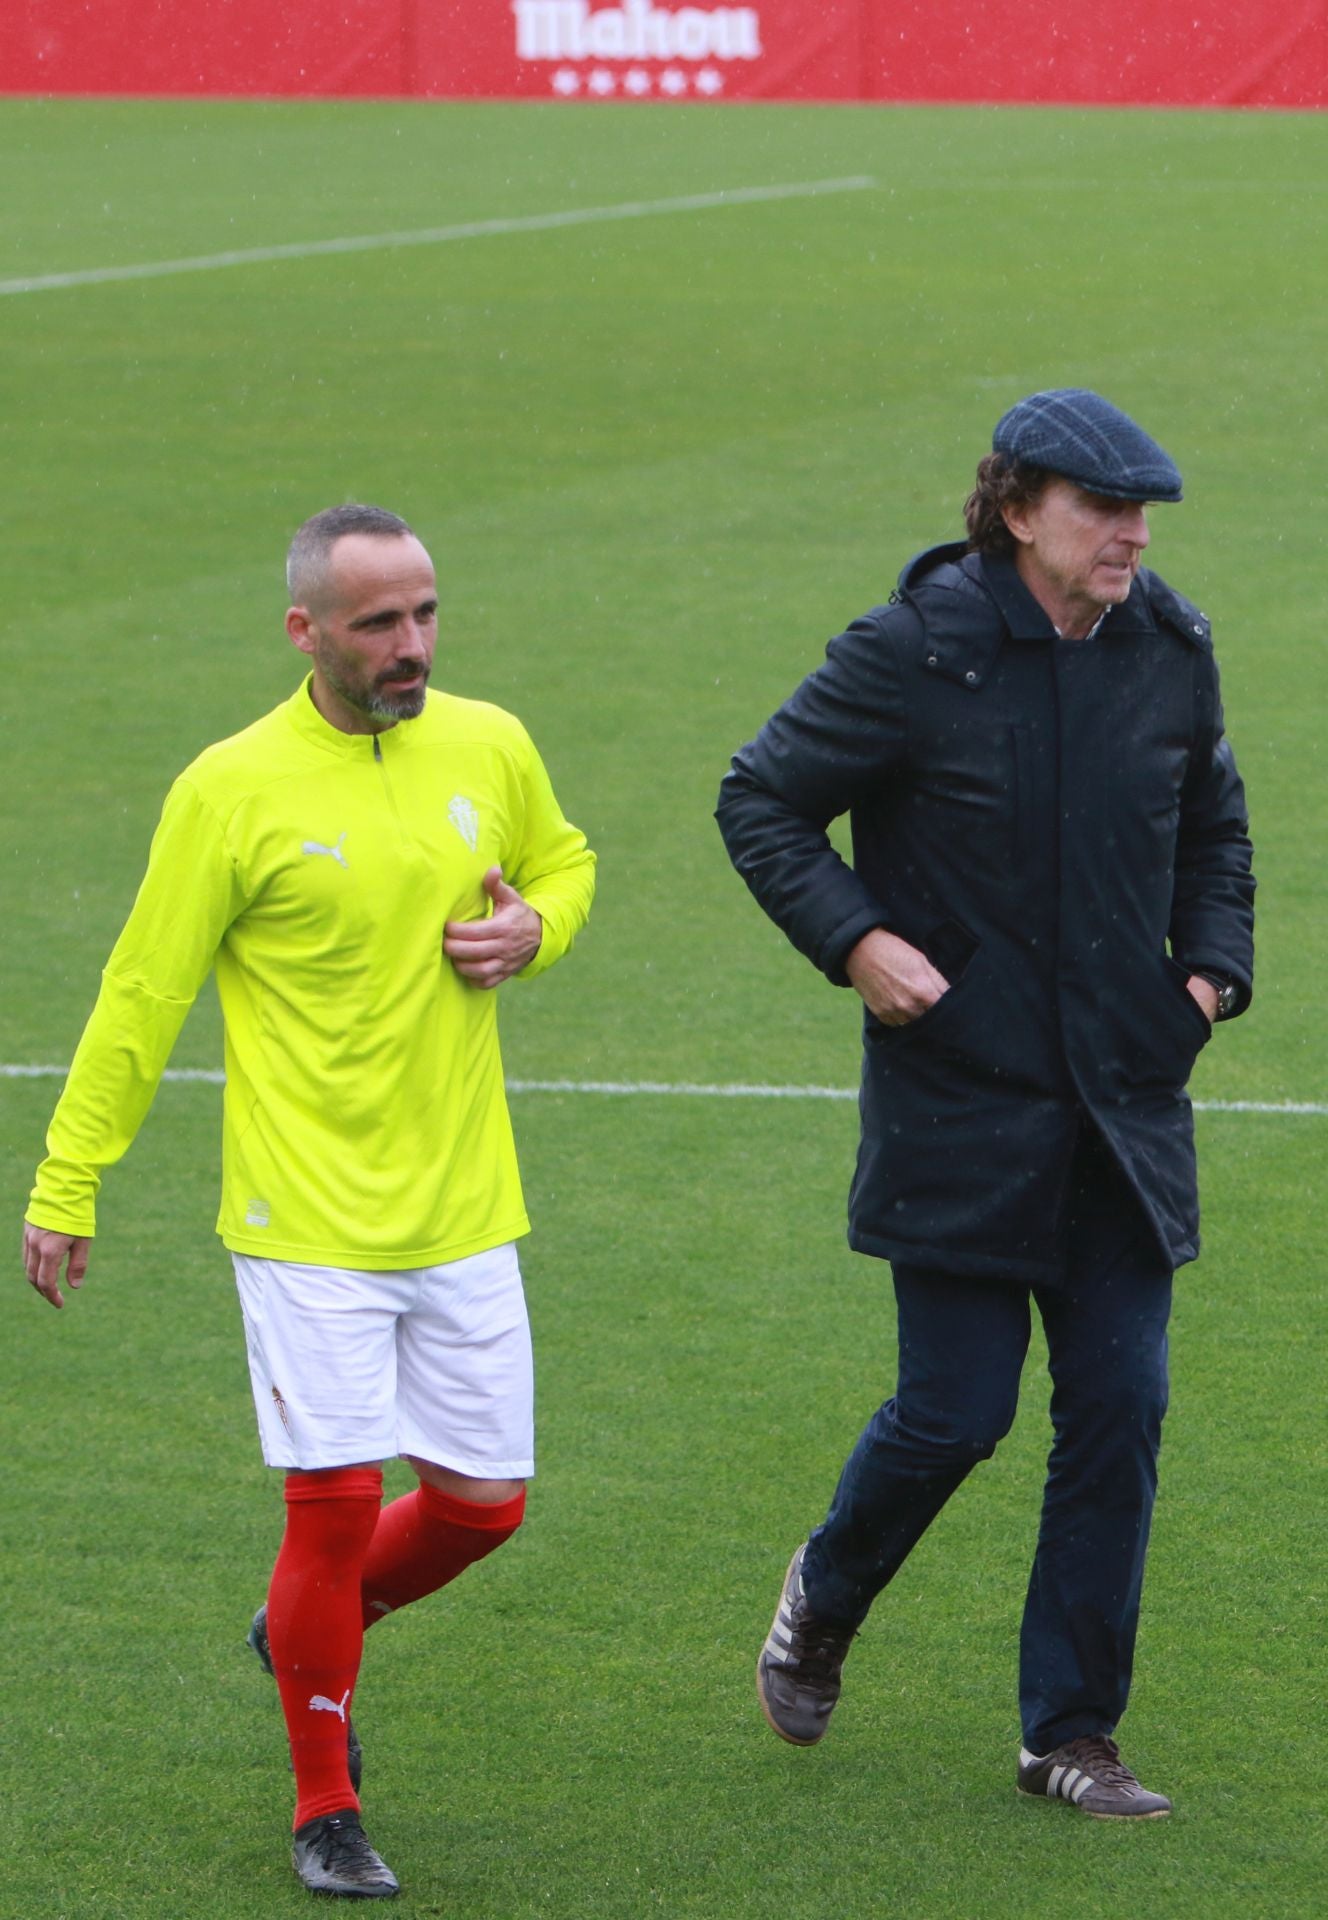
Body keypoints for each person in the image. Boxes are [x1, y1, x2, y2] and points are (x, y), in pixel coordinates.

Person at [22, 504, 596, 1897]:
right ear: (305, 632)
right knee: (331, 1510)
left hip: (466, 1206)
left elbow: (566, 859)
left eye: (426, 613)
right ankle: (324, 1803)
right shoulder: (230, 789)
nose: (413, 645)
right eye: (378, 623)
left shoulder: (488, 742)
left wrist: (537, 927)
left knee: (482, 1509)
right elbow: (142, 994)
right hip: (304, 1223)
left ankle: (303, 1631)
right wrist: (67, 1178)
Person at [716, 390, 1254, 1818]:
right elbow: (761, 800)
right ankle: (827, 1594)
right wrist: (857, 940)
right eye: (1103, 509)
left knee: (1120, 1410)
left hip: (1124, 1106)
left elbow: (1215, 825)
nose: (1134, 536)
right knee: (956, 1413)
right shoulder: (913, 652)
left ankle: (1069, 1731)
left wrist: (1207, 978)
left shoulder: (1168, 648)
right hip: (964, 1106)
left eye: (1144, 513)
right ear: (1017, 510)